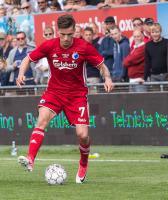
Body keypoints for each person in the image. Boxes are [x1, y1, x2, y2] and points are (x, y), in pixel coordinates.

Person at [16, 14, 113, 184]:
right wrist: (21, 74)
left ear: (74, 31)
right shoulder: (49, 45)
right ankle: (30, 159)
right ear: (57, 32)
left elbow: (102, 66)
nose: (66, 38)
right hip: (54, 92)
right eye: (62, 34)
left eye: (69, 34)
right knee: (42, 121)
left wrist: (108, 78)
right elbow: (27, 59)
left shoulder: (84, 47)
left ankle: (83, 162)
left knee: (82, 135)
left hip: (77, 96)